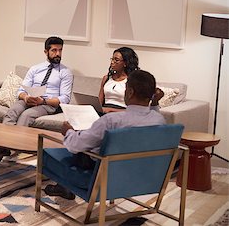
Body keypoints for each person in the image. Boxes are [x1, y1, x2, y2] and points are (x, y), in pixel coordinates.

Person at [44, 70, 165, 200]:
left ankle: (64, 186)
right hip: (141, 179)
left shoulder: (112, 121)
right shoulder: (159, 121)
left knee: (50, 153)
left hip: (103, 180)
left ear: (130, 92)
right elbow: (149, 115)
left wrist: (68, 131)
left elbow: (75, 145)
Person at [0, 37, 73, 164]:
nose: (58, 54)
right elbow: (20, 90)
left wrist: (43, 101)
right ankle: (3, 144)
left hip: (48, 104)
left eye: (60, 50)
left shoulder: (65, 72)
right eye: (54, 50)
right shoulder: (35, 69)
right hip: (30, 99)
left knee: (26, 115)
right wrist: (26, 97)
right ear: (45, 52)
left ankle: (11, 149)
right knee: (13, 111)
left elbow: (65, 99)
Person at [98, 47, 139, 114]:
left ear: (125, 63)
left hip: (122, 114)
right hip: (104, 112)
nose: (112, 62)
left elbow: (135, 110)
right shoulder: (106, 79)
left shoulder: (131, 81)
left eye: (116, 60)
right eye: (112, 59)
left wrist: (110, 110)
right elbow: (99, 103)